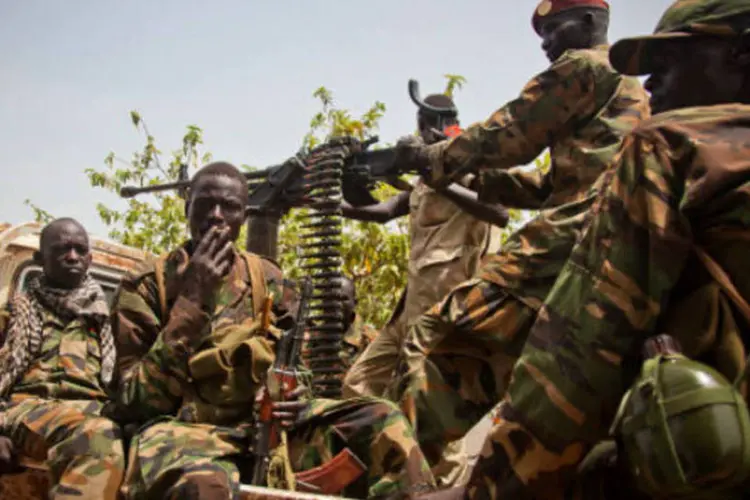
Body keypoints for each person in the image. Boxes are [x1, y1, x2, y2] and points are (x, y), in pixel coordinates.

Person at [428, 0, 750, 497]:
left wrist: (494, 486)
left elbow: (578, 357)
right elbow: (543, 184)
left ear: (740, 54)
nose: (649, 87)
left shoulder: (666, 143)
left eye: (668, 63)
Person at [387, 0, 651, 470]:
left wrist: (432, 159)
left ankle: (395, 463)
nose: (546, 44)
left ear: (590, 22)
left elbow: (509, 135)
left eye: (553, 29)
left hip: (572, 233)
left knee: (435, 333)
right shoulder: (625, 90)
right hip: (602, 233)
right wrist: (466, 179)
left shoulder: (584, 67)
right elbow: (548, 187)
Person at [109, 161, 435, 499]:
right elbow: (132, 402)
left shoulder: (268, 279)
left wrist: (295, 395)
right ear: (187, 208)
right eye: (205, 204)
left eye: (230, 207)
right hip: (183, 432)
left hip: (264, 427)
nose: (217, 215)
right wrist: (191, 300)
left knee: (384, 420)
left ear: (244, 215)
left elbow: (298, 364)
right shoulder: (147, 286)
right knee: (204, 486)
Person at [342, 92, 509, 399]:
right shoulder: (426, 174)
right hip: (408, 310)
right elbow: (384, 211)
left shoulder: (468, 162)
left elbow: (499, 213)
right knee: (358, 385)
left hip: (443, 312)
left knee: (426, 401)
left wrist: (435, 175)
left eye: (422, 125)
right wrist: (333, 202)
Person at [0, 218, 125, 499]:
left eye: (80, 250)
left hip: (94, 412)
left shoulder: (109, 320)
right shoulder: (15, 312)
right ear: (40, 259)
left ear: (90, 259)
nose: (72, 256)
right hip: (26, 410)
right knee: (98, 436)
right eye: (62, 249)